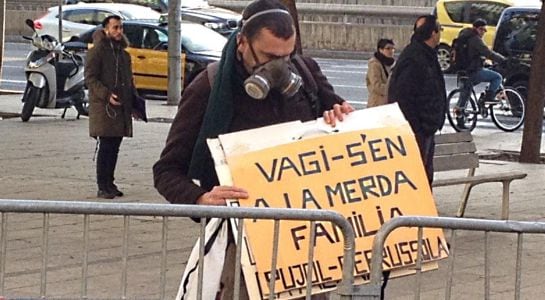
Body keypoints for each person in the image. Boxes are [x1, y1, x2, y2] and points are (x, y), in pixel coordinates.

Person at [153, 0, 353, 297]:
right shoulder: (209, 87)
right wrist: (201, 198)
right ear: (242, 42)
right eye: (270, 57)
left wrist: (341, 117)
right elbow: (166, 171)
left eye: (287, 56)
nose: (279, 67)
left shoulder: (306, 72)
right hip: (242, 247)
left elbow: (338, 115)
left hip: (305, 245)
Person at [388, 15, 446, 185]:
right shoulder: (415, 58)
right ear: (433, 33)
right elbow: (402, 97)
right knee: (417, 179)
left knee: (424, 176)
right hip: (417, 130)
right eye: (439, 30)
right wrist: (418, 128)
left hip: (426, 128)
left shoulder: (426, 54)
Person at [85, 15, 136, 199]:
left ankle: (110, 182)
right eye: (115, 28)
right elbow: (90, 79)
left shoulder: (124, 54)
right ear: (106, 29)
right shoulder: (97, 51)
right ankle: (102, 185)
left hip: (121, 106)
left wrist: (134, 103)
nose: (119, 31)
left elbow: (130, 81)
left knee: (115, 146)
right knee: (106, 146)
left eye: (121, 27)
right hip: (104, 107)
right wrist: (106, 95)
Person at [457, 18, 507, 105]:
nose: (483, 32)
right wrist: (503, 60)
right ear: (475, 28)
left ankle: (460, 112)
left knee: (465, 92)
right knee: (497, 77)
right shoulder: (475, 39)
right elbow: (488, 53)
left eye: (484, 30)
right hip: (473, 71)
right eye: (481, 29)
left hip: (462, 71)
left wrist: (483, 61)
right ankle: (488, 98)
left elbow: (471, 54)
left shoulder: (464, 36)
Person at [366, 38, 395, 108]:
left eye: (393, 49)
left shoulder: (390, 63)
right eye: (388, 48)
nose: (391, 51)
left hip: (387, 103)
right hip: (377, 104)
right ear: (380, 50)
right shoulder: (374, 64)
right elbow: (376, 85)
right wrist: (393, 90)